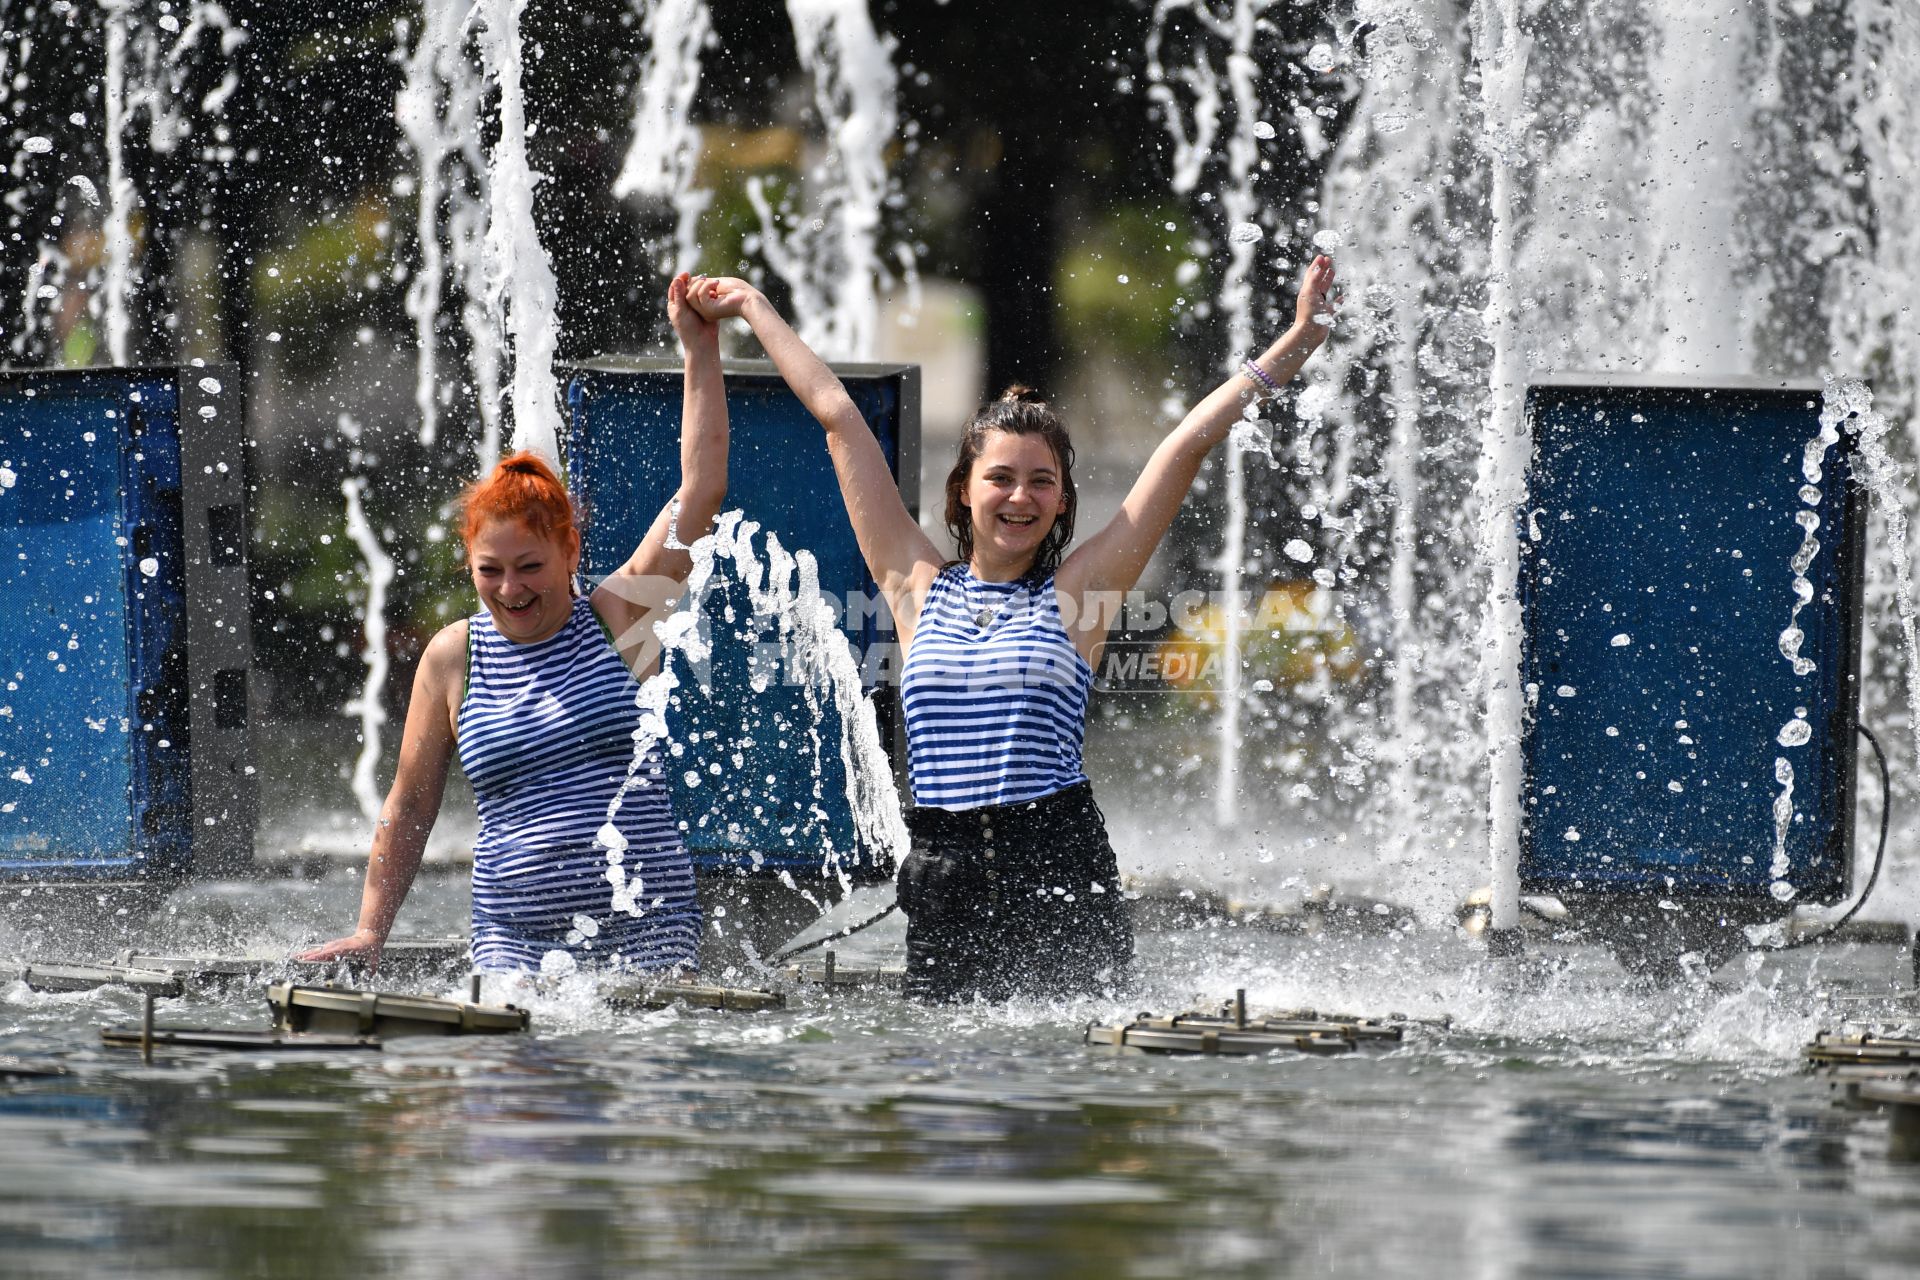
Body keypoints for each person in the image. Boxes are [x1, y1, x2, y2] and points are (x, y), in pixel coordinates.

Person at [685, 256, 1336, 1001]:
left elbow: (1182, 447)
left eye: (1041, 482)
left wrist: (1297, 341)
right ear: (964, 490)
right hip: (942, 871)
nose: (1019, 496)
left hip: (1055, 863)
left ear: (1062, 503)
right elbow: (837, 414)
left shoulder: (1079, 591)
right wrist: (752, 307)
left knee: (1060, 1076)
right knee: (948, 1090)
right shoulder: (914, 586)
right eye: (1001, 477)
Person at [298, 271, 730, 975]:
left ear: (570, 552)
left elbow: (702, 487)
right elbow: (409, 805)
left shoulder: (620, 618)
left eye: (529, 567)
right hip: (513, 940)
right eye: (489, 570)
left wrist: (698, 350)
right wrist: (370, 930)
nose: (510, 589)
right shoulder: (452, 657)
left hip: (646, 933)